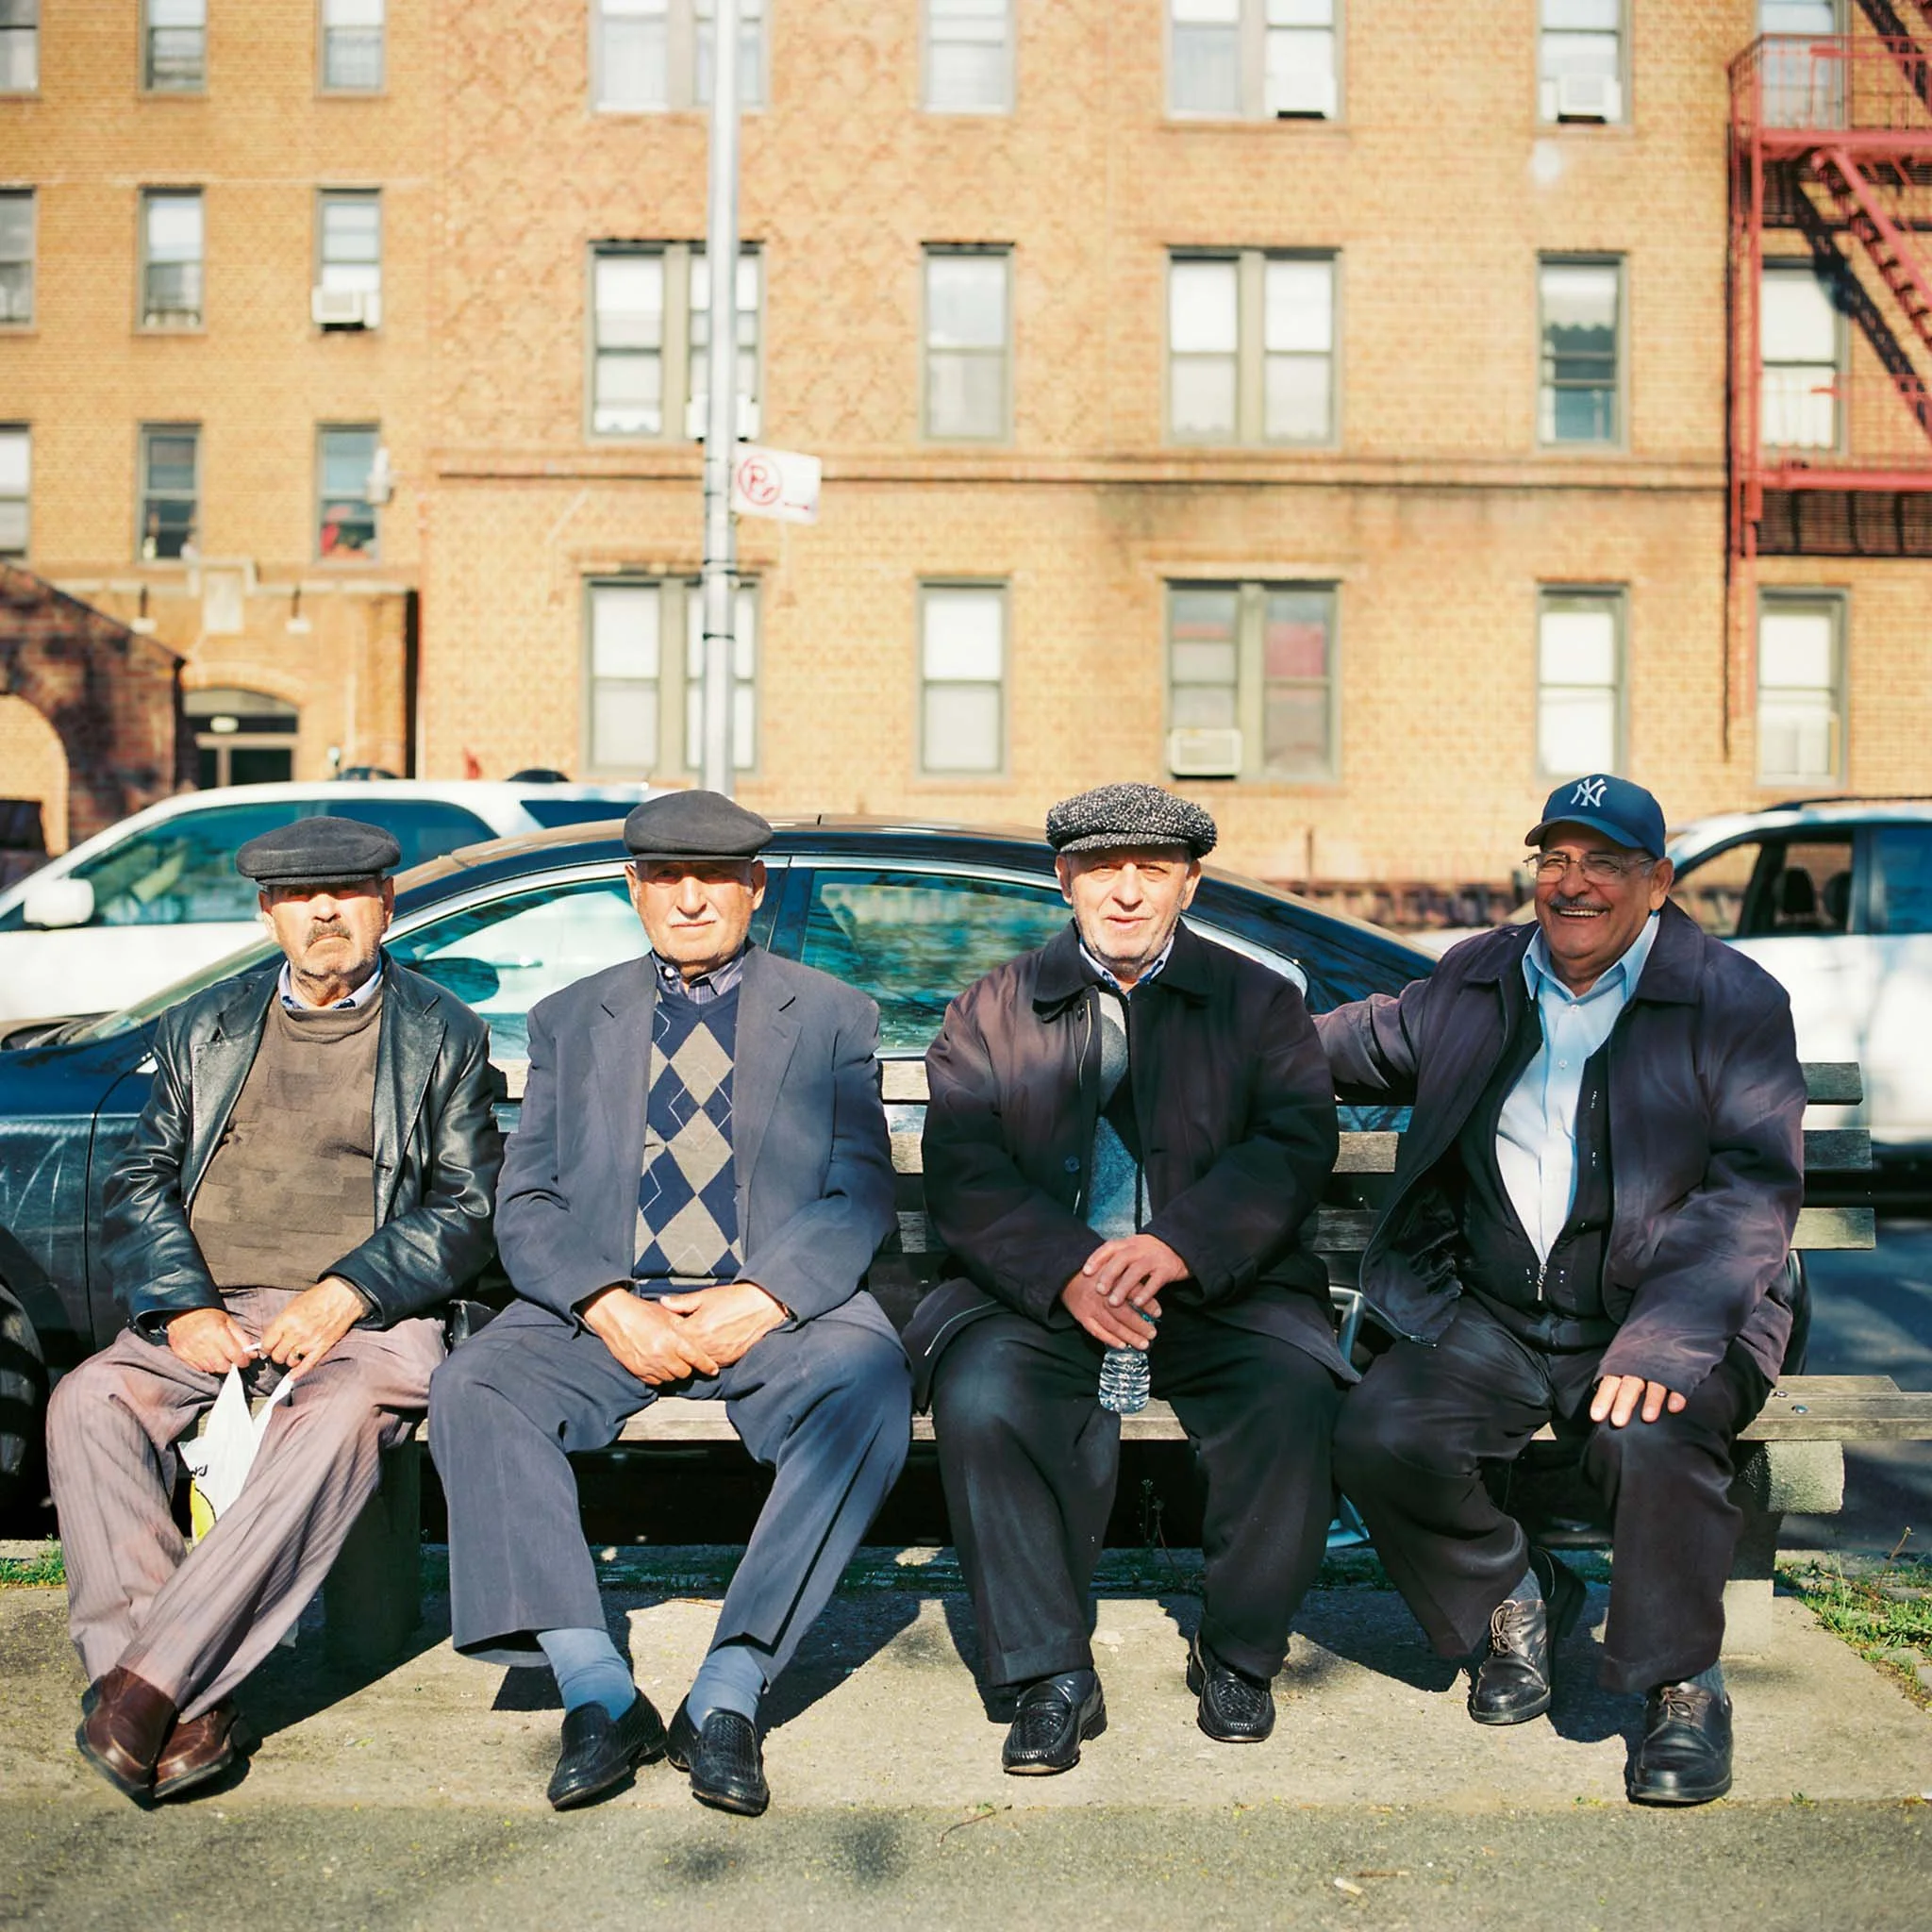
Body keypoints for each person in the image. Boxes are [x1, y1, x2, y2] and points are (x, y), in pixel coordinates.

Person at [1321, 774, 1807, 1806]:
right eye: (1553, 860)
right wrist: (1205, 1026)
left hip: (1665, 1313)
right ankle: (1514, 1587)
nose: (1571, 883)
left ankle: (1682, 1685)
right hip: (1497, 1309)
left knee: (1649, 1433)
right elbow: (1357, 1041)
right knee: (1376, 1432)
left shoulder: (1730, 996)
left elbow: (1751, 1191)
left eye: (1603, 863)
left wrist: (1664, 1337)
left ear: (1657, 882)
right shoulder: (1477, 976)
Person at [430, 791, 909, 1818]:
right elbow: (529, 1196)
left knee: (865, 1379)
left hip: (775, 1301)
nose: (690, 898)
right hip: (612, 1298)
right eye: (664, 877)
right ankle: (597, 1689)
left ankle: (729, 1690)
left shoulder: (829, 1013)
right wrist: (605, 1302)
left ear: (753, 886)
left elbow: (857, 1187)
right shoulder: (571, 1017)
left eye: (714, 878)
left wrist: (767, 1293)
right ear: (633, 887)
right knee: (476, 1384)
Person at [47, 816, 503, 1801]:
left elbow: (469, 1208)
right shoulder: (204, 1026)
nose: (325, 911)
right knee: (87, 1400)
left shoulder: (440, 1031)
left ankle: (141, 1688)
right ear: (269, 912)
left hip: (373, 1315)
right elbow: (141, 1176)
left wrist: (347, 1290)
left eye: (347, 892)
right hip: (212, 1305)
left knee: (335, 1418)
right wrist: (180, 1305)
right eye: (301, 896)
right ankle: (185, 1706)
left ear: (386, 905)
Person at [908, 782, 1346, 1775]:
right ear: (1064, 878)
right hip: (1039, 1289)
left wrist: (1180, 1243)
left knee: (1293, 1393)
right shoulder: (991, 1006)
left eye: (1150, 870)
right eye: (1102, 868)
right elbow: (963, 1168)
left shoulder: (1256, 1001)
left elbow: (1290, 1143)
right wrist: (1065, 1269)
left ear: (1187, 884)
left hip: (1216, 1285)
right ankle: (1047, 1673)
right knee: (982, 1396)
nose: (1124, 891)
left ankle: (1236, 1650)